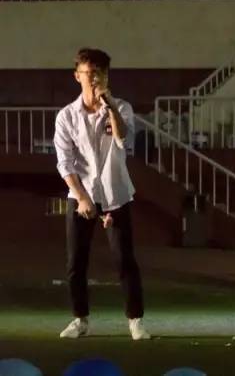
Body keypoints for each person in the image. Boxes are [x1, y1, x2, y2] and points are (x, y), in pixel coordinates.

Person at [54, 48, 150, 340]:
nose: (95, 79)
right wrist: (81, 197)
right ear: (77, 76)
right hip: (80, 192)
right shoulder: (67, 116)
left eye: (101, 73)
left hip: (115, 192)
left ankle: (135, 320)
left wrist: (108, 106)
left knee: (124, 259)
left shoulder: (121, 107)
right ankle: (80, 319)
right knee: (76, 262)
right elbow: (64, 162)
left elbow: (122, 139)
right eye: (90, 73)